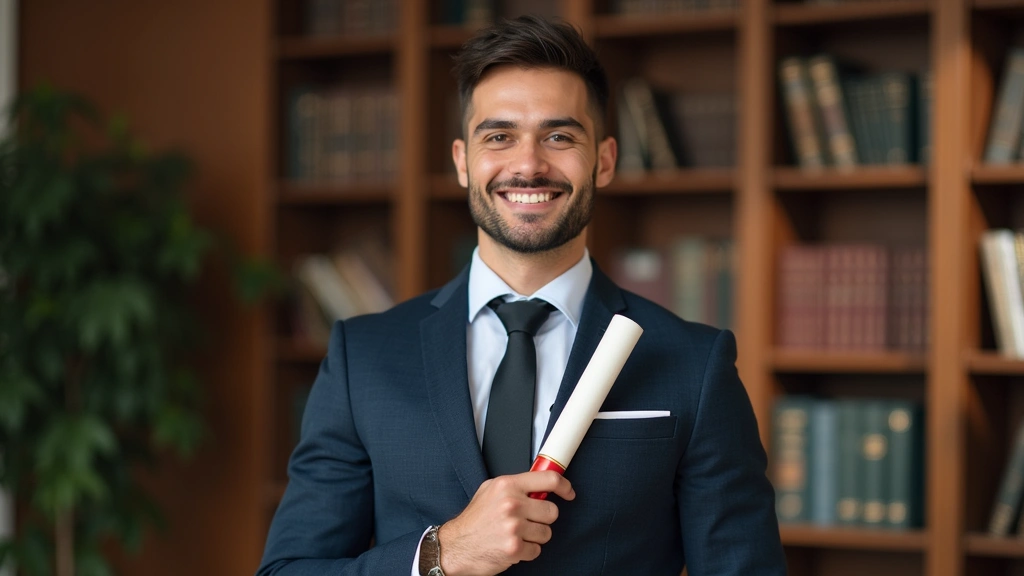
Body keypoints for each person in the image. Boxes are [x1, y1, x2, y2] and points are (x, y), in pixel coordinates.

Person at [257, 15, 786, 576]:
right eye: (499, 136)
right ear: (463, 161)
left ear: (604, 161)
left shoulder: (693, 363)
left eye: (559, 136)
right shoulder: (361, 357)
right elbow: (288, 570)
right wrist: (441, 554)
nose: (528, 163)